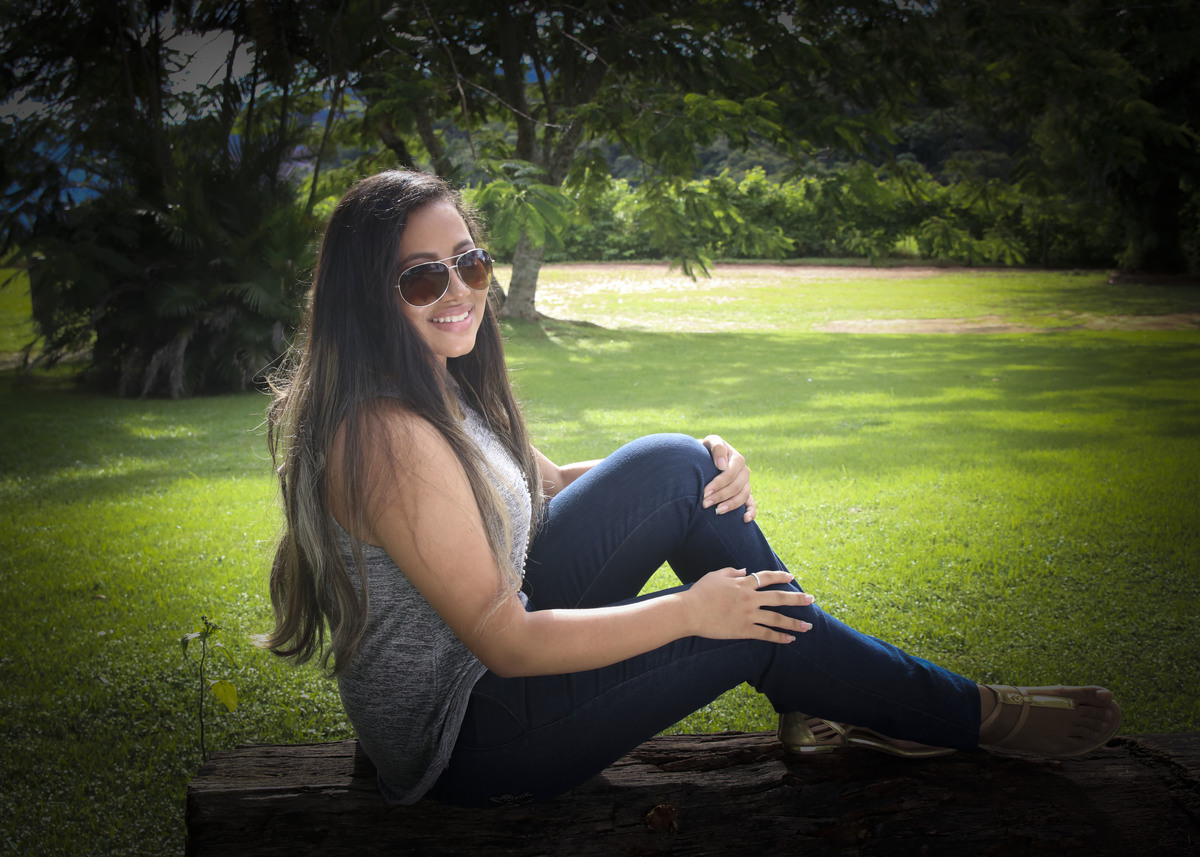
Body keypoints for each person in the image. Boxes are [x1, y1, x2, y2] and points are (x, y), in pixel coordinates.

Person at [263, 170, 1122, 808]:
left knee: (678, 464)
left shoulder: (434, 383)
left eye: (470, 262)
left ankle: (833, 689)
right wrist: (690, 610)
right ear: (367, 298)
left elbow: (548, 487)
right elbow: (507, 641)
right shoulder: (385, 438)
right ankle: (968, 713)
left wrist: (710, 463)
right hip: (470, 742)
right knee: (744, 623)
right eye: (424, 277)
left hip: (482, 676)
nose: (459, 291)